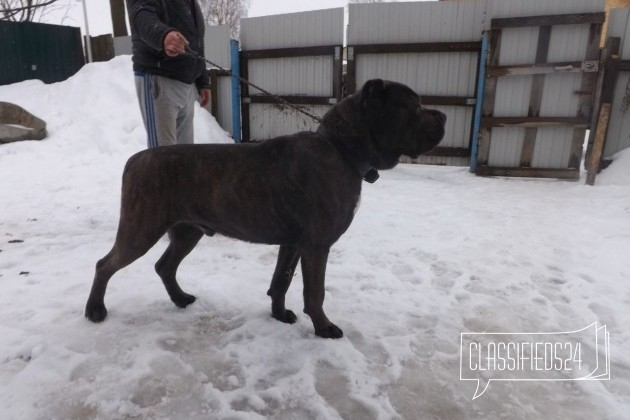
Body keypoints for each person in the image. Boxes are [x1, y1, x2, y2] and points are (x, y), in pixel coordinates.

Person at [126, 0, 212, 148]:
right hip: (159, 78)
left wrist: (203, 80)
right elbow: (141, 15)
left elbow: (196, 42)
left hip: (186, 84)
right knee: (162, 158)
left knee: (185, 157)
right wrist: (163, 35)